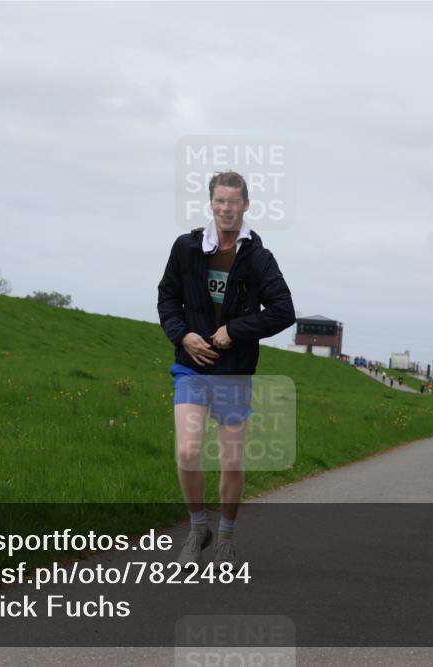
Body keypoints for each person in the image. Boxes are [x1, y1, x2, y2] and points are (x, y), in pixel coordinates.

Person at [158, 171, 295, 569]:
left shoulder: (258, 258)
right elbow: (167, 297)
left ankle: (226, 538)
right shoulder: (186, 248)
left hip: (234, 371)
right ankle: (198, 527)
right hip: (192, 367)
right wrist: (183, 336)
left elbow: (283, 311)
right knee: (187, 449)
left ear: (246, 205)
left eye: (233, 202)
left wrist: (235, 330)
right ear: (211, 203)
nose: (225, 208)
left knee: (232, 461)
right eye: (219, 201)